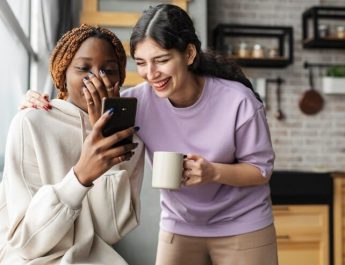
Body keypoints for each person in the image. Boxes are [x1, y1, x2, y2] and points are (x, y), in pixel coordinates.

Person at [22, 4, 277, 265]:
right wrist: (43, 104)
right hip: (180, 228)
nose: (151, 74)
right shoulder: (136, 103)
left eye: (162, 60)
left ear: (189, 54)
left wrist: (213, 172)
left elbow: (261, 171)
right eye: (142, 63)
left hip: (244, 226)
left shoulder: (238, 101)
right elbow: (83, 118)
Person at [0, 24, 144, 265]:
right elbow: (27, 242)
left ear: (119, 78)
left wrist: (107, 136)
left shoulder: (128, 137)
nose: (96, 78)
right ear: (63, 73)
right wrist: (79, 177)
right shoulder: (31, 122)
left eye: (108, 70)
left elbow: (109, 231)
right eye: (83, 68)